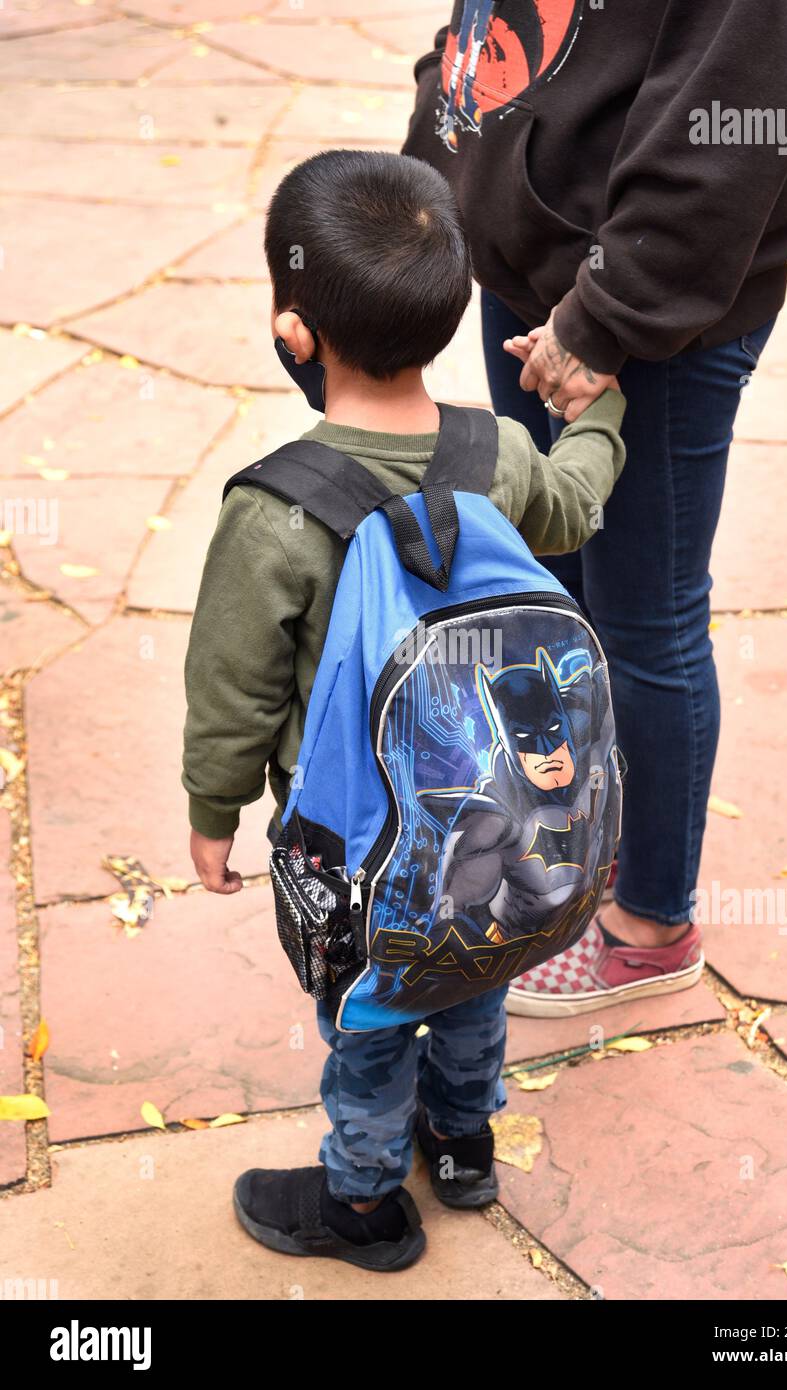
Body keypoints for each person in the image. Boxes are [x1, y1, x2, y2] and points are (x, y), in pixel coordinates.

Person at [181, 149, 625, 1270]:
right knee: (473, 972)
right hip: (498, 835)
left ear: (295, 333)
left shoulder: (276, 511)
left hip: (358, 855)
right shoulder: (497, 454)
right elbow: (574, 504)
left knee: (372, 1017)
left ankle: (367, 1203)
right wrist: (602, 407)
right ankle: (465, 1142)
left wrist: (211, 807)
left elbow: (232, 688)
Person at [403, 0, 787, 1017]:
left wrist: (604, 320)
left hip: (654, 314)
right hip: (528, 259)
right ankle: (571, 853)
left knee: (646, 619)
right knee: (552, 578)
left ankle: (652, 924)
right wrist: (438, 160)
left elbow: (735, 123)